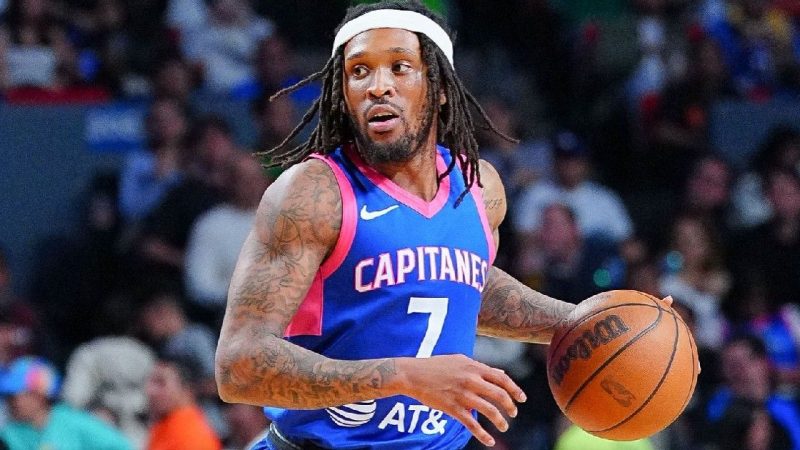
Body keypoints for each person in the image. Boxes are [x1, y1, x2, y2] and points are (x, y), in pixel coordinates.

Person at [215, 2, 597, 448]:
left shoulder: (478, 185)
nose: (378, 86)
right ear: (343, 94)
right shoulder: (314, 194)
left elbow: (460, 282)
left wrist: (583, 321)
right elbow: (238, 366)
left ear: (440, 88)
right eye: (359, 72)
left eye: (400, 67)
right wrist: (402, 377)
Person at [0, 356, 133, 450]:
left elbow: (119, 446)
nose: (11, 403)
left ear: (39, 396)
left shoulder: (71, 421)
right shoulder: (10, 434)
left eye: (15, 396)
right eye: (8, 397)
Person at [145, 356, 222, 450]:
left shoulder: (194, 438)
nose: (150, 390)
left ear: (187, 390)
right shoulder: (165, 425)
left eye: (161, 383)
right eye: (151, 381)